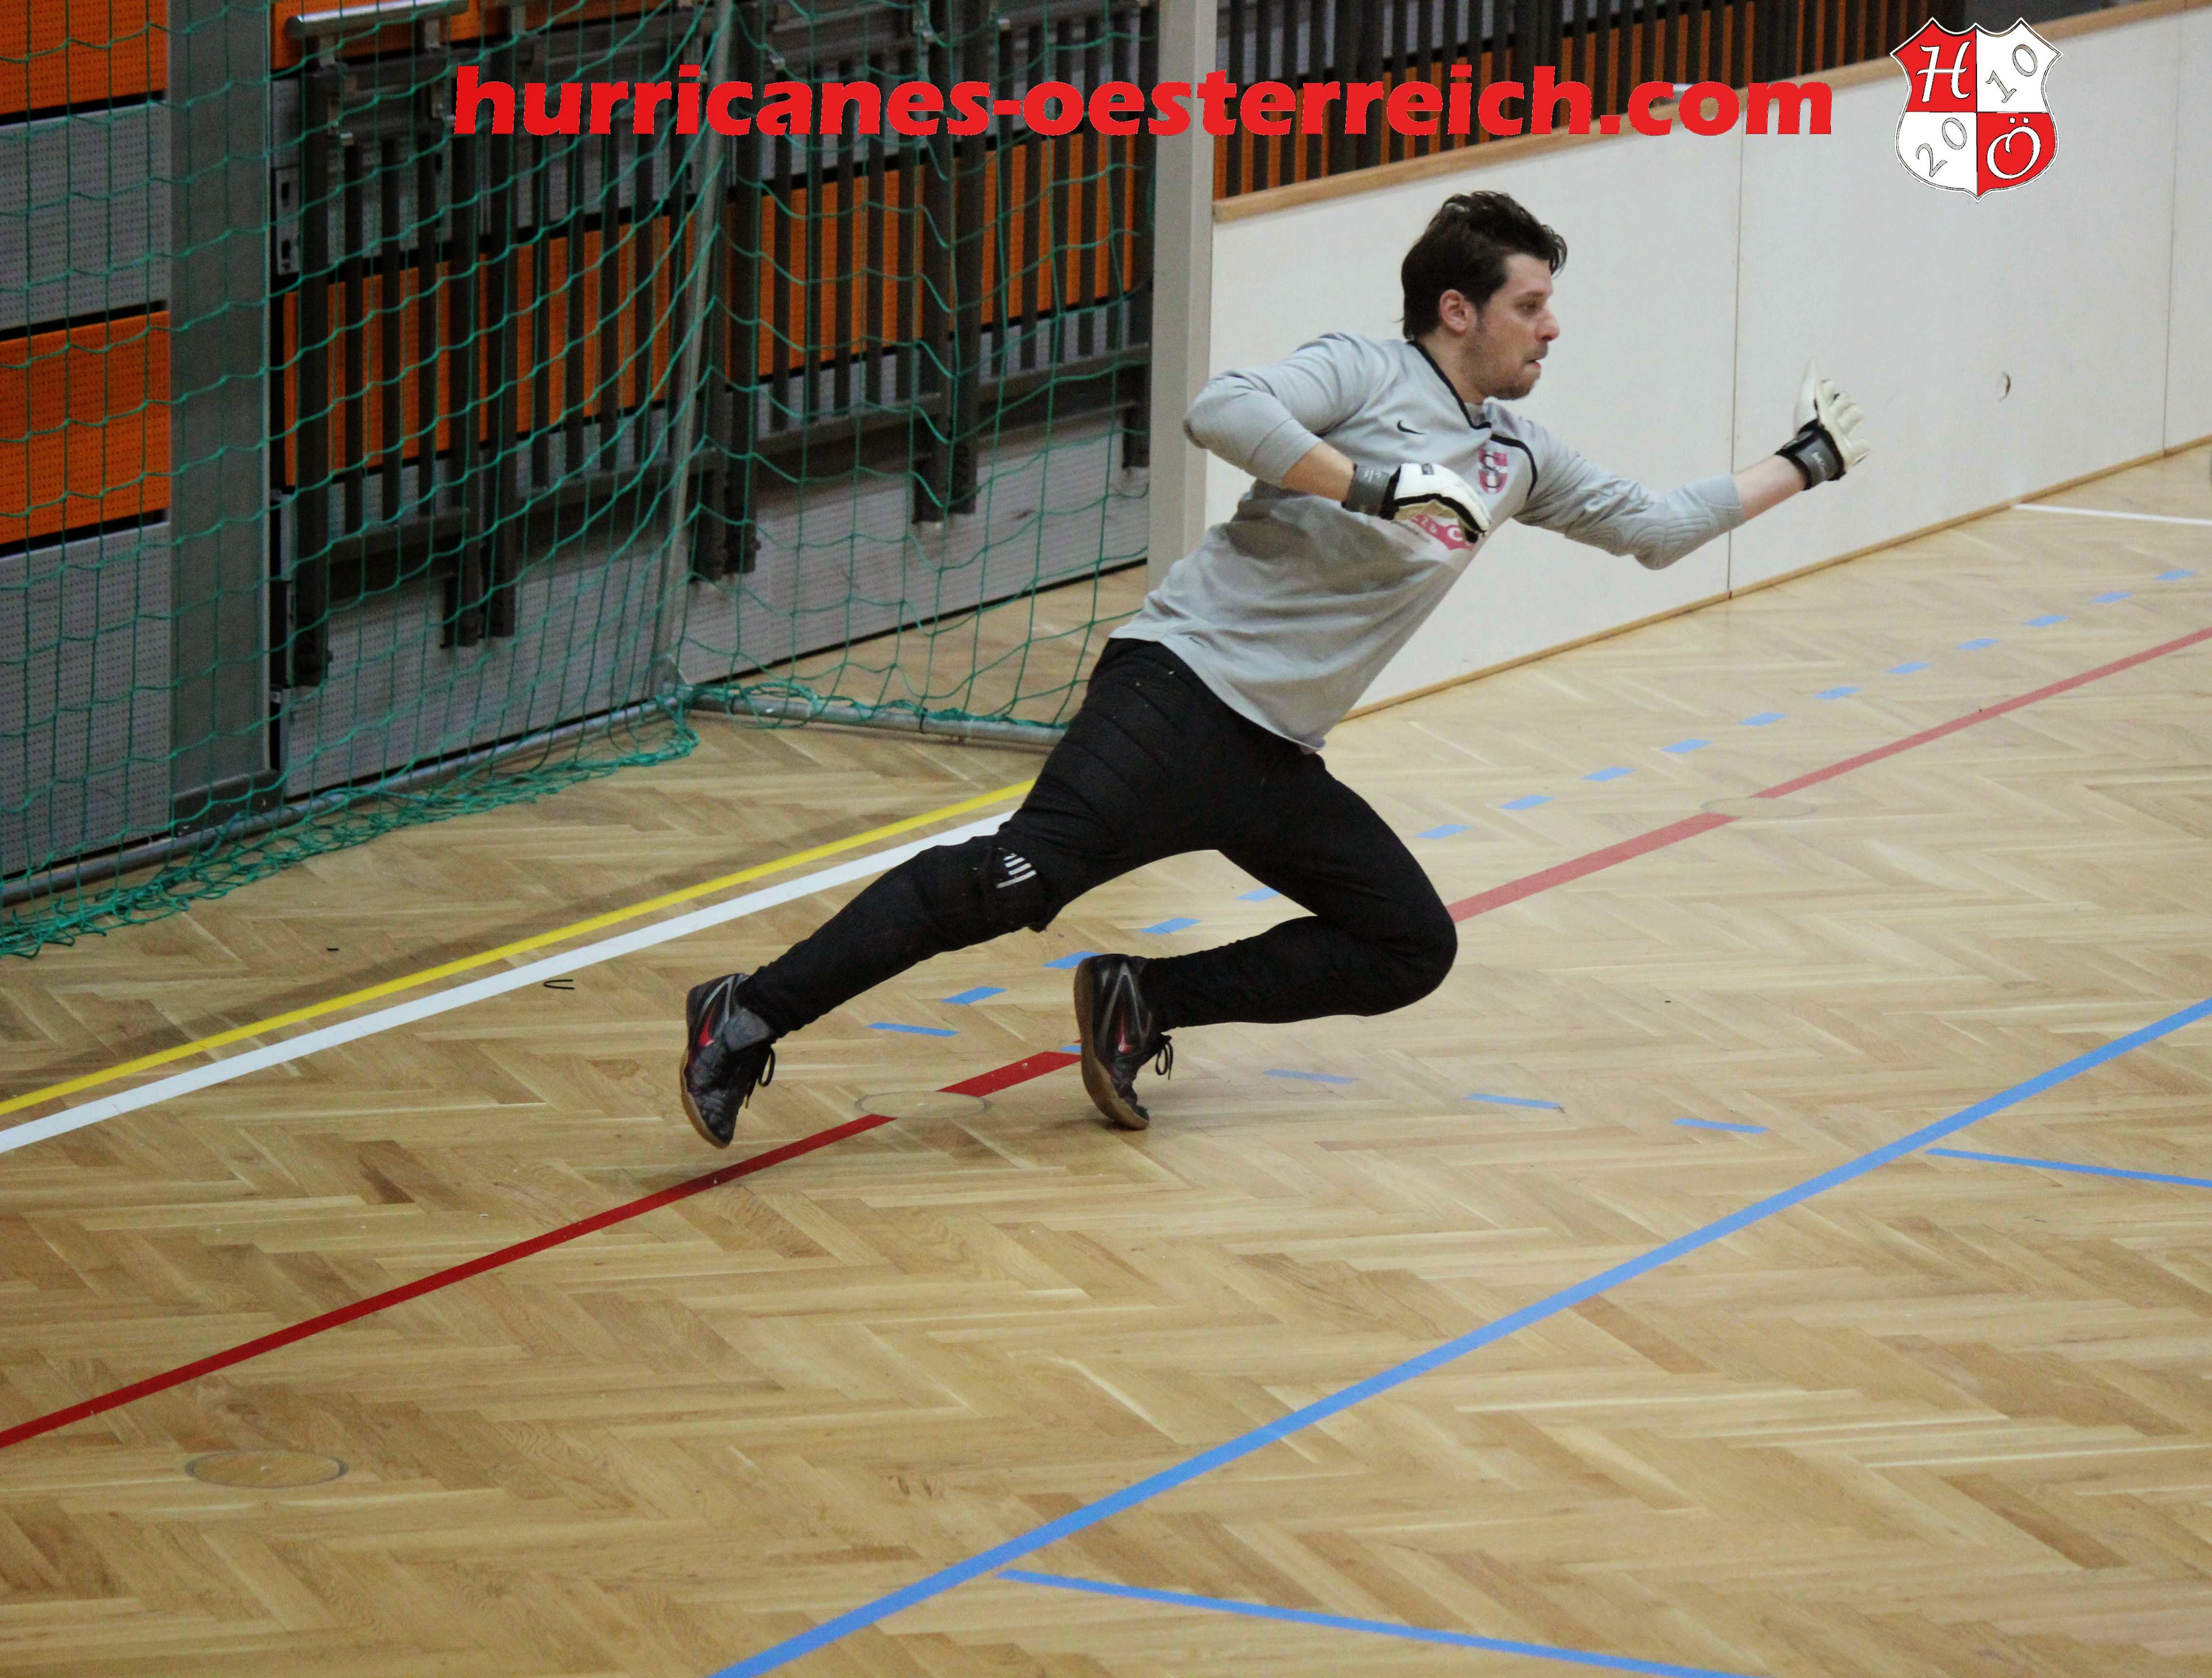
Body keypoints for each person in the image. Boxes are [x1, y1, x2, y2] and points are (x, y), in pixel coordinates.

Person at [677, 190, 1869, 1146]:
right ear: (1459, 311)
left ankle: (1144, 1000)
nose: (1551, 328)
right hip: (1173, 695)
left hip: (1272, 757)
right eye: (1531, 305)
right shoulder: (1366, 373)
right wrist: (1373, 485)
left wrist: (1806, 461)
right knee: (1012, 882)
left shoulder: (1517, 454)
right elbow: (1221, 411)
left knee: (1408, 944)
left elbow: (1655, 527)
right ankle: (745, 1013)